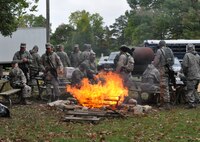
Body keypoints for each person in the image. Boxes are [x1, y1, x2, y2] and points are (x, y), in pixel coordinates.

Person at [153, 40, 174, 110]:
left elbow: (156, 62)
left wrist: (153, 65)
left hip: (162, 71)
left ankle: (166, 105)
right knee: (165, 87)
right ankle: (162, 103)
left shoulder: (159, 51)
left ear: (160, 45)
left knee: (164, 87)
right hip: (168, 70)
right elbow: (173, 61)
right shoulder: (170, 50)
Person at [182, 43, 200, 108]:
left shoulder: (187, 55)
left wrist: (185, 73)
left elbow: (185, 66)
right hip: (198, 76)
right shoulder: (198, 56)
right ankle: (197, 101)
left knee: (190, 90)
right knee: (194, 90)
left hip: (191, 76)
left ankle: (191, 104)